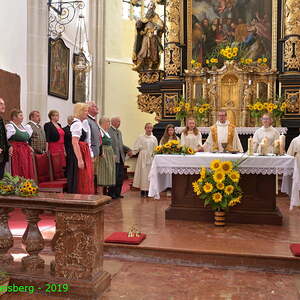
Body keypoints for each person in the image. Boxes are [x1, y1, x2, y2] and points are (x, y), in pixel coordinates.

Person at [65, 103, 94, 194]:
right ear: (79, 112)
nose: (87, 112)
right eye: (85, 111)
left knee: (84, 177)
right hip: (77, 154)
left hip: (82, 152)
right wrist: (80, 159)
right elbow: (74, 142)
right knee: (79, 178)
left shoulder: (80, 123)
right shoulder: (77, 124)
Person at [132, 1, 164, 71]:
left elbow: (161, 26)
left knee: (152, 52)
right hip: (145, 36)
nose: (151, 7)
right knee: (143, 51)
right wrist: (139, 24)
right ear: (148, 7)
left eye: (152, 5)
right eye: (150, 5)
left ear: (154, 8)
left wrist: (155, 28)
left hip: (152, 36)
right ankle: (139, 64)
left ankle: (151, 66)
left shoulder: (156, 17)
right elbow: (140, 25)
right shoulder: (145, 18)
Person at [108, 117, 132, 199]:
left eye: (120, 121)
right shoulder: (109, 131)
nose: (119, 123)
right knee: (114, 177)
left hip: (121, 157)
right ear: (113, 122)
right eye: (118, 121)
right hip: (114, 158)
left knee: (120, 177)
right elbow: (109, 145)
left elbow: (120, 145)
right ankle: (112, 193)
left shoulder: (119, 132)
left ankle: (118, 193)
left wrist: (128, 149)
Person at [6, 109, 34, 179]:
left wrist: (28, 146)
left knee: (25, 168)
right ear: (14, 117)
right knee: (18, 168)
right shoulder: (10, 126)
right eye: (20, 115)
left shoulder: (24, 127)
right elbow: (5, 139)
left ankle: (25, 185)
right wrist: (9, 146)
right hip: (16, 151)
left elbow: (25, 139)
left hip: (25, 151)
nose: (22, 117)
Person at [132, 123, 158, 197]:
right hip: (143, 157)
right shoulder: (141, 137)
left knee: (150, 174)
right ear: (145, 128)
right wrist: (132, 153)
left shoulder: (154, 138)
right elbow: (136, 147)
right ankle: (143, 191)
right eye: (148, 128)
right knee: (143, 174)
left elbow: (156, 149)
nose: (149, 129)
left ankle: (150, 191)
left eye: (150, 128)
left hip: (151, 158)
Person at [95, 117, 116, 191]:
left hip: (109, 153)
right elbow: (98, 142)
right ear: (103, 123)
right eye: (108, 122)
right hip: (103, 153)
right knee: (102, 173)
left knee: (107, 173)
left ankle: (105, 194)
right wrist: (101, 152)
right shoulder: (100, 131)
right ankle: (100, 194)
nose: (109, 123)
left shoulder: (106, 132)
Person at [0, 98, 12, 179]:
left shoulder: (1, 118)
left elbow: (3, 136)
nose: (3, 106)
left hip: (2, 155)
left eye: (3, 104)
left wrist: (9, 146)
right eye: (0, 104)